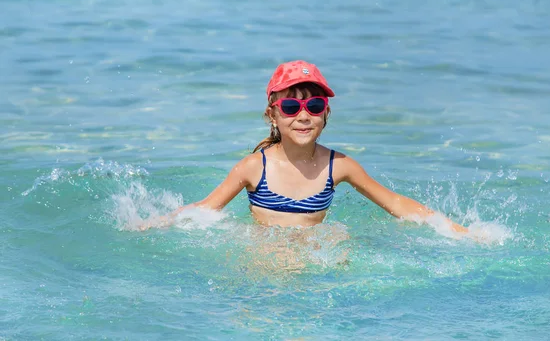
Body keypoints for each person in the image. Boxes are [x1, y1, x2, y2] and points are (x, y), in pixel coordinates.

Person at [142, 60, 468, 234]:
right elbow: (204, 210)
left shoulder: (339, 167)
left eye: (314, 105)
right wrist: (152, 224)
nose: (303, 116)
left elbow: (396, 203)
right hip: (264, 256)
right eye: (290, 108)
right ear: (272, 115)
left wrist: (453, 229)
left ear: (326, 113)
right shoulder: (254, 168)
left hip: (316, 257)